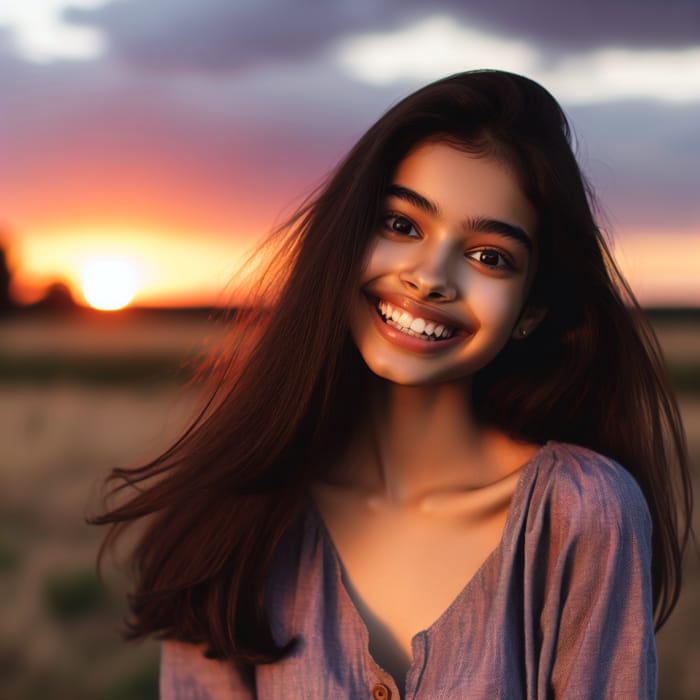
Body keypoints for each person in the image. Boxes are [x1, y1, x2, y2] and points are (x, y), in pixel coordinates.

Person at [93, 70, 692, 699]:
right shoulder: (235, 522)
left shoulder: (582, 513)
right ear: (346, 240)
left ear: (530, 313)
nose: (430, 277)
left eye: (489, 256)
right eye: (402, 225)